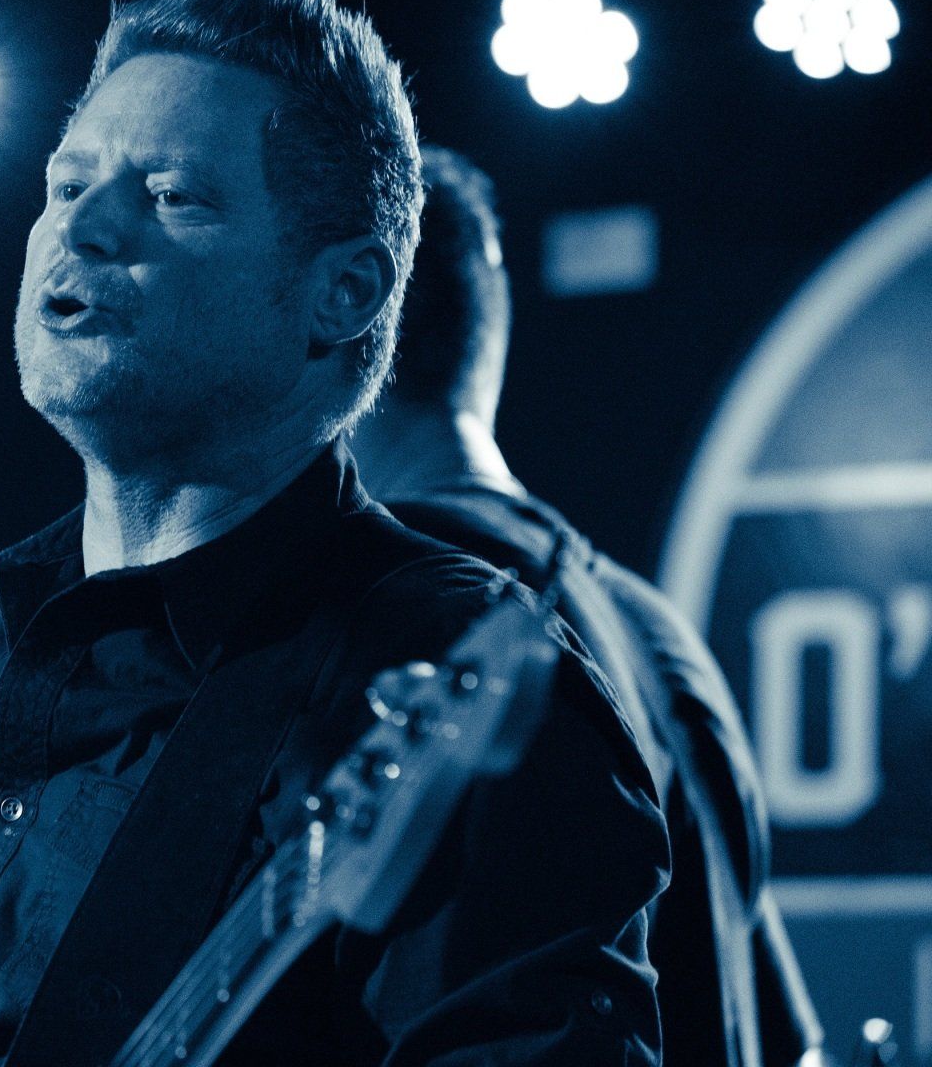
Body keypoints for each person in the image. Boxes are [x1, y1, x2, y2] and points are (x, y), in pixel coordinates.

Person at [0, 0, 671, 1067]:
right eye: (66, 184)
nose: (84, 226)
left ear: (341, 293)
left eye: (171, 194)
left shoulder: (433, 675)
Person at [349, 147, 823, 1067]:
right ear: (486, 346)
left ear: (342, 316)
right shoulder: (656, 627)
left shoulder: (394, 609)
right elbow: (785, 1043)